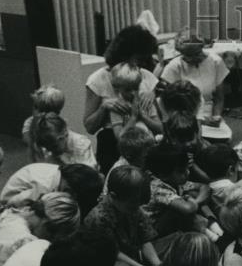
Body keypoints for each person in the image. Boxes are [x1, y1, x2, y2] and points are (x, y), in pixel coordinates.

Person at [84, 25, 161, 173]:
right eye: (138, 59)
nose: (140, 64)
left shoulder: (146, 76)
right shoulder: (97, 79)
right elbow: (89, 127)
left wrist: (153, 94)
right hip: (113, 141)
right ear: (124, 54)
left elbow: (158, 122)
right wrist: (104, 107)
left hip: (144, 138)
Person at [81, 166, 162, 266]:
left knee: (177, 242)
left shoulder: (133, 207)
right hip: (112, 261)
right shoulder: (98, 218)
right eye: (132, 206)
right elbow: (113, 254)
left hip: (134, 255)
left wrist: (157, 264)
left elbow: (145, 238)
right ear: (113, 196)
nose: (137, 209)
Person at [158, 30, 230, 132]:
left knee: (224, 138)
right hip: (184, 117)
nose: (192, 59)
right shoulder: (174, 66)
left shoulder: (216, 61)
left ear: (202, 47)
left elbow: (219, 98)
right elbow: (170, 104)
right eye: (188, 56)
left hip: (209, 113)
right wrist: (200, 121)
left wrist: (216, 116)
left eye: (196, 54)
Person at [143, 142, 211, 240]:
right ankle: (211, 235)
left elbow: (205, 187)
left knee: (193, 195)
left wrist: (195, 202)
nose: (187, 172)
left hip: (166, 223)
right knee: (181, 211)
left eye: (187, 168)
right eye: (181, 171)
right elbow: (188, 209)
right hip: (154, 232)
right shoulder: (158, 187)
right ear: (163, 175)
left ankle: (213, 224)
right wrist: (191, 202)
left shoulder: (175, 181)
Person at [0, 162, 104, 218]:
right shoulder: (44, 188)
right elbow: (12, 203)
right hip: (12, 203)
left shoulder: (63, 176)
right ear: (71, 192)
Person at [28, 112, 98, 169]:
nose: (52, 151)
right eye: (48, 148)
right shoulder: (52, 150)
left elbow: (89, 172)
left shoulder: (80, 143)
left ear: (65, 134)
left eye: (55, 147)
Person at [104, 125, 156, 192]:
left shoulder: (140, 164)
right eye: (145, 157)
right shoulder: (121, 171)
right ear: (130, 156)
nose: (149, 159)